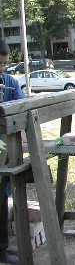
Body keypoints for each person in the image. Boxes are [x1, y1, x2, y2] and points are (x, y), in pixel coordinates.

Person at [0, 39, 25, 264]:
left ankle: (2, 249)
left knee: (1, 200)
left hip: (4, 155)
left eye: (5, 64)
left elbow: (22, 107)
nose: (2, 69)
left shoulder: (9, 82)